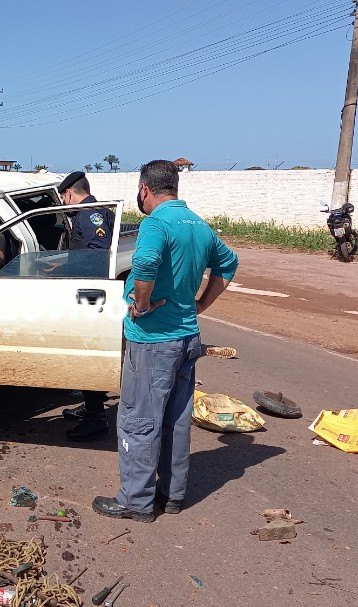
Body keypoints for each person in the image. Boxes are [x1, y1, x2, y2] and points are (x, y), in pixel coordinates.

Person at [92, 160, 239, 523]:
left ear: (145, 188)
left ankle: (135, 501)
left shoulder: (155, 223)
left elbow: (144, 265)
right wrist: (200, 304)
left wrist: (141, 303)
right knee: (175, 417)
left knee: (138, 419)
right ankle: (171, 494)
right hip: (187, 337)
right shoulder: (198, 225)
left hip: (154, 340)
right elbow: (229, 264)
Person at [54, 171, 114, 442]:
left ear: (69, 193)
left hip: (91, 294)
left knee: (88, 354)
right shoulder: (95, 210)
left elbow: (96, 253)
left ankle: (95, 419)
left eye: (63, 197)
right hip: (90, 291)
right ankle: (92, 406)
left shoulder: (90, 214)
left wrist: (65, 266)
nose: (64, 203)